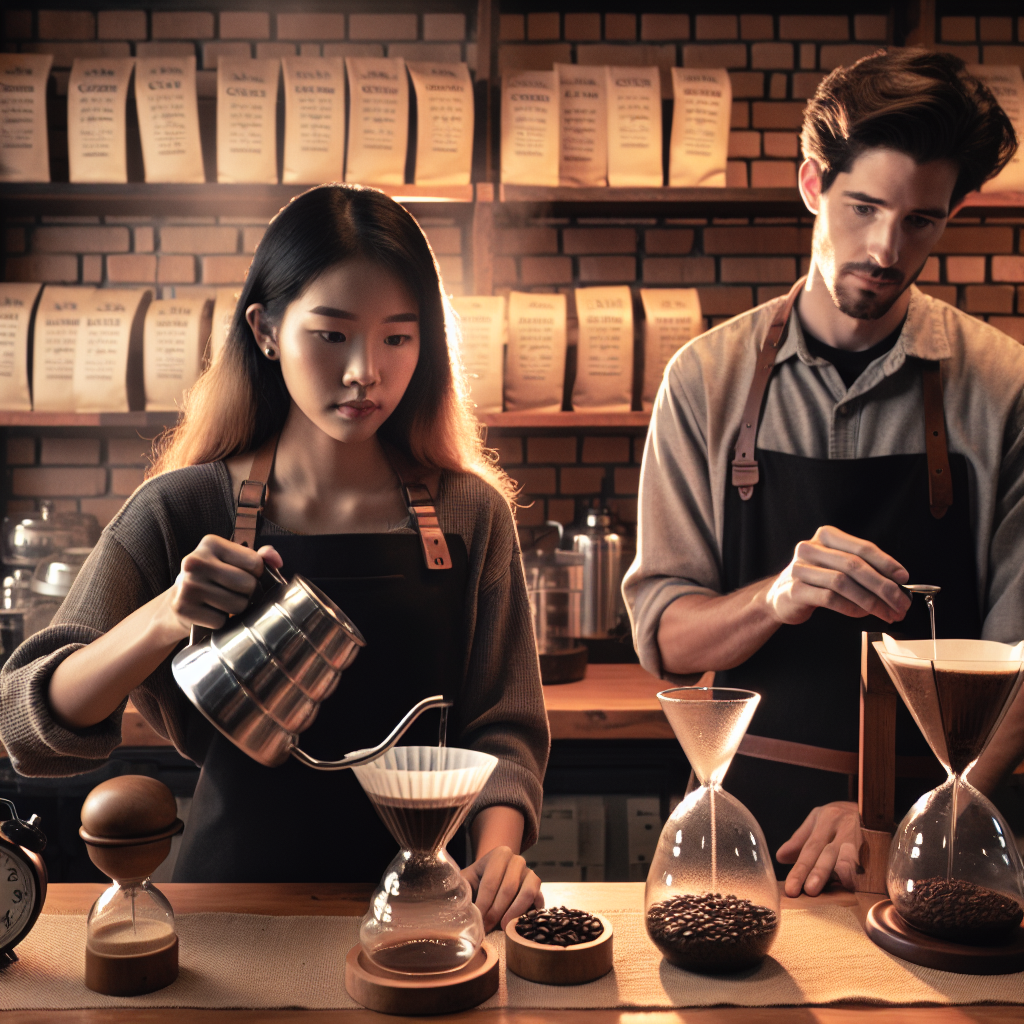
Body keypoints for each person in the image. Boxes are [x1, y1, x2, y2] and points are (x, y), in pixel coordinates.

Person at [0, 185, 549, 930]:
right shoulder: (180, 509)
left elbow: (504, 727)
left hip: (426, 912)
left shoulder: (469, 514)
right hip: (231, 914)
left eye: (397, 337)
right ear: (265, 330)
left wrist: (499, 853)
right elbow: (25, 727)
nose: (366, 372)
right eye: (332, 336)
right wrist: (165, 617)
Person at [624, 50, 1024, 897]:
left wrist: (911, 814)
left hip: (948, 832)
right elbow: (666, 639)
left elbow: (1022, 663)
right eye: (864, 207)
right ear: (813, 184)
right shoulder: (706, 379)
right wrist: (777, 596)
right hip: (746, 826)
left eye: (920, 220)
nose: (885, 249)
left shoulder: (1004, 390)